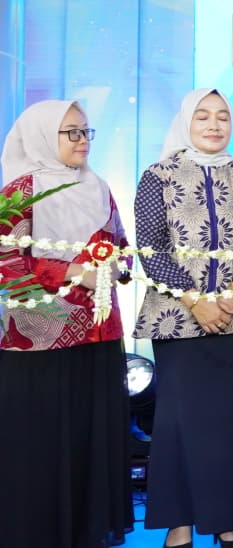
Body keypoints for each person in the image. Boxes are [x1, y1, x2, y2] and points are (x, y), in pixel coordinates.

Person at [133, 88, 233, 548]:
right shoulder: (158, 175)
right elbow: (151, 247)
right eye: (203, 116)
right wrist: (197, 301)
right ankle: (179, 522)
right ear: (186, 122)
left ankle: (225, 519)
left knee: (230, 420)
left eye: (222, 117)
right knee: (178, 421)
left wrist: (231, 297)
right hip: (177, 319)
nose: (214, 125)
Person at [0, 100, 131, 548]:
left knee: (88, 439)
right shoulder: (20, 191)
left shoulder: (98, 187)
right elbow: (6, 263)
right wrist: (74, 271)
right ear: (42, 136)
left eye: (86, 131)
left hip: (97, 334)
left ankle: (83, 533)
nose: (82, 141)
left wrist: (118, 268)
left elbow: (121, 245)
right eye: (71, 132)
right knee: (41, 443)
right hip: (39, 341)